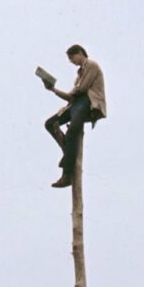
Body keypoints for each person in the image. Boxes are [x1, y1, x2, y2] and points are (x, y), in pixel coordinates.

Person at [43, 44, 106, 188]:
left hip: (88, 103)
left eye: (72, 58)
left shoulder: (91, 65)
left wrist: (69, 92)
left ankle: (67, 175)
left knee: (72, 132)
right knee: (50, 123)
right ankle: (67, 153)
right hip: (76, 104)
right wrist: (52, 89)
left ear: (79, 53)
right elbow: (71, 98)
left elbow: (82, 90)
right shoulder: (79, 74)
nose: (71, 61)